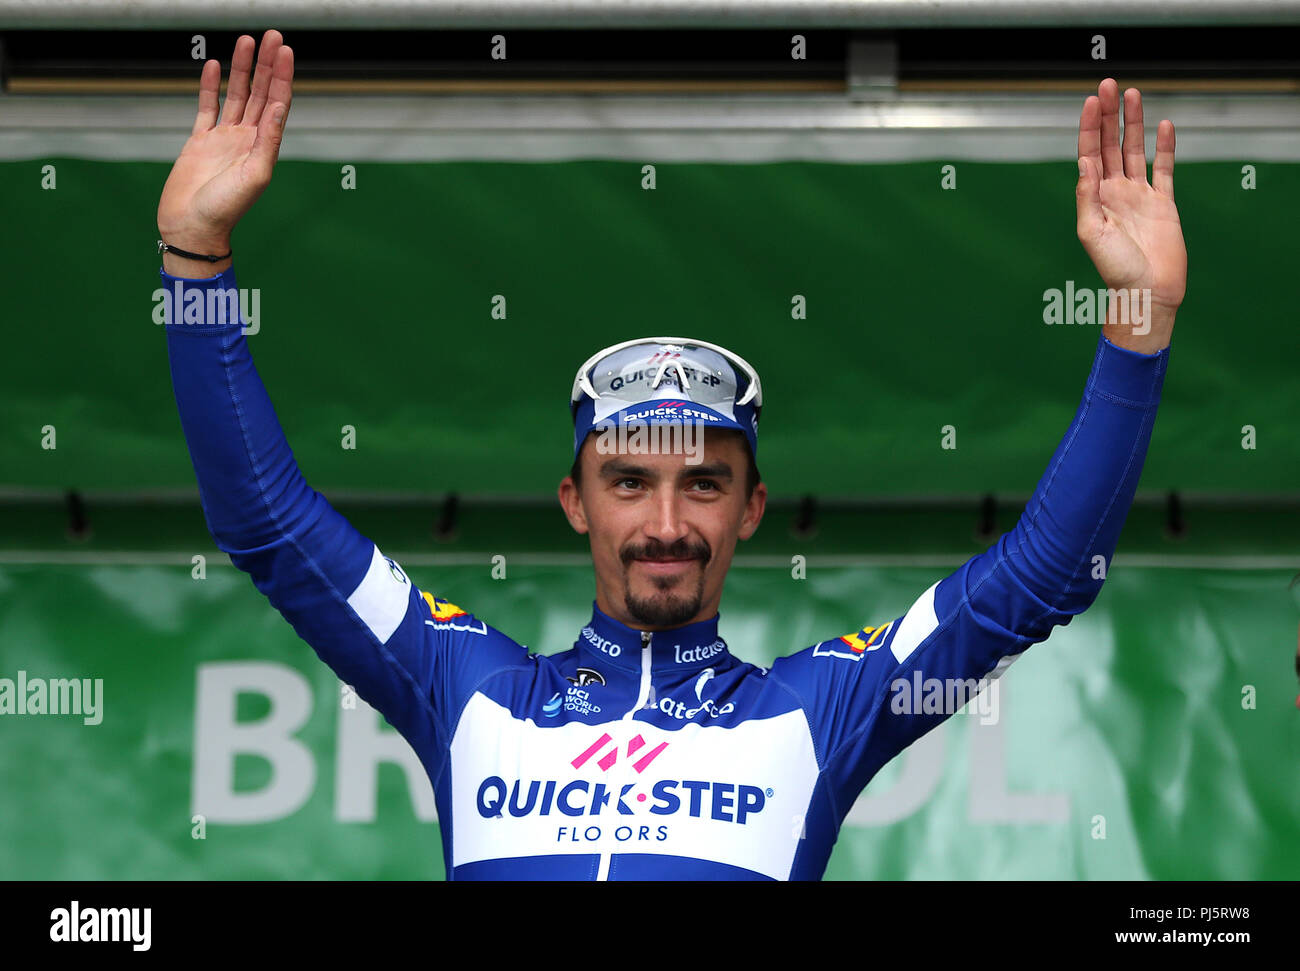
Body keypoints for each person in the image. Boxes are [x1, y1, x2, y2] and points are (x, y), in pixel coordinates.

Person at [158, 30, 1186, 880]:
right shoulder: (462, 682)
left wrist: (1137, 321)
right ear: (574, 500)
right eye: (628, 481)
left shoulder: (818, 708)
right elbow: (265, 523)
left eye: (702, 483)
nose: (663, 523)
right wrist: (196, 261)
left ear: (750, 506)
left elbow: (1043, 574)